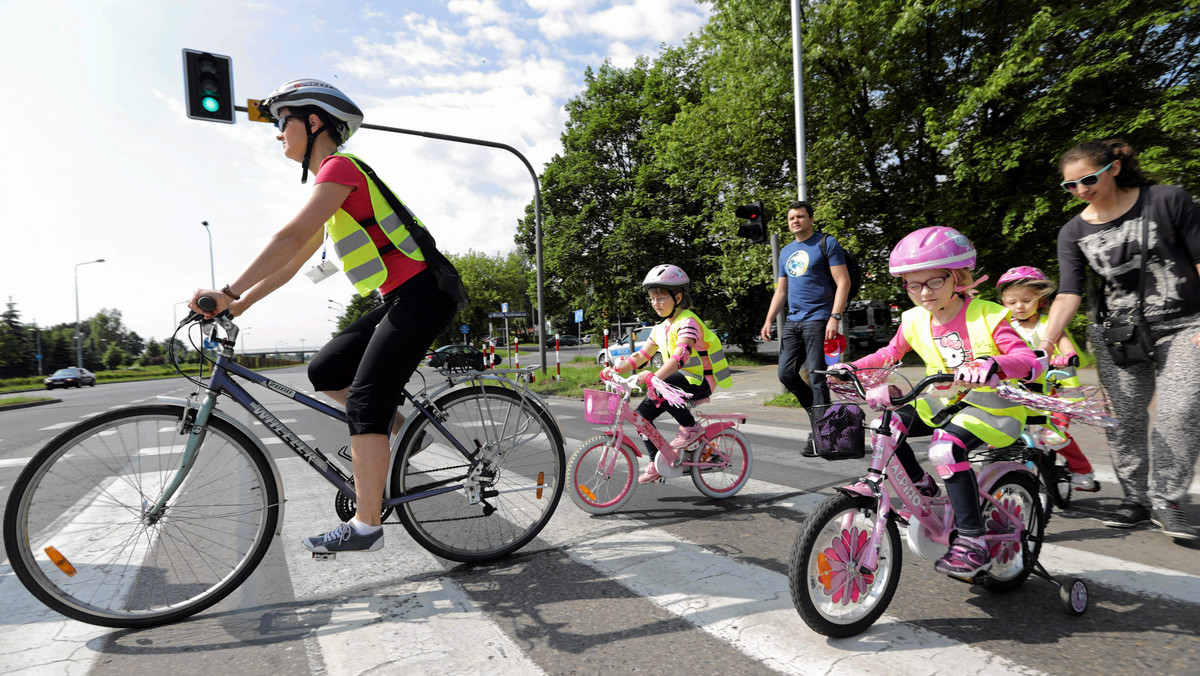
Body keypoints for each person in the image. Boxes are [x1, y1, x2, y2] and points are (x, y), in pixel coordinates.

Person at [187, 79, 458, 554]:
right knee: (326, 369)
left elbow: (289, 238)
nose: (276, 133)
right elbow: (293, 265)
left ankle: (366, 526)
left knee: (366, 400)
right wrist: (239, 306)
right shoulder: (331, 188)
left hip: (425, 293)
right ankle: (401, 435)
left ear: (313, 123)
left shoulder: (341, 168)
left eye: (282, 121)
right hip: (401, 297)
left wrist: (226, 290)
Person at [832, 227, 1041, 577]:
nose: (923, 293)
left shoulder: (987, 315)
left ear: (957, 277)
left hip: (991, 407)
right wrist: (852, 366)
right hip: (942, 401)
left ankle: (972, 540)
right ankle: (923, 485)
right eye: (913, 284)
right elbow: (889, 353)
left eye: (934, 282)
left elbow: (1029, 359)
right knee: (886, 424)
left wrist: (993, 364)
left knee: (945, 449)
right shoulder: (914, 319)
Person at [1040, 139, 1200, 541]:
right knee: (1123, 420)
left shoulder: (1167, 200)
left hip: (1185, 325)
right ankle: (1137, 500)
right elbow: (1068, 293)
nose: (1081, 190)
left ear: (1113, 168)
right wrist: (1046, 341)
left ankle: (1169, 500)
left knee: (1178, 413)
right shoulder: (1073, 231)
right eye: (1071, 186)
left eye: (1088, 180)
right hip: (1119, 335)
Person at [606, 265, 732, 484]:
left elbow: (680, 357)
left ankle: (691, 428)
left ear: (678, 296)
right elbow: (640, 356)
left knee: (661, 385)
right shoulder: (660, 327)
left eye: (661, 298)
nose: (655, 304)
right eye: (652, 299)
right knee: (641, 418)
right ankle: (657, 462)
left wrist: (654, 377)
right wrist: (614, 370)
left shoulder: (688, 321)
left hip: (698, 380)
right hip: (675, 381)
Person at [759, 201, 852, 456]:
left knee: (818, 378)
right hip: (793, 321)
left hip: (819, 319)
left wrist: (835, 317)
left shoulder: (826, 243)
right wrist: (769, 319)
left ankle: (821, 437)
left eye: (800, 216)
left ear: (810, 218)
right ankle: (824, 421)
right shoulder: (787, 251)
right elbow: (782, 290)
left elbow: (843, 282)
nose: (795, 221)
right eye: (791, 218)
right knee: (786, 374)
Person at [995, 266, 1097, 492]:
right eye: (1011, 303)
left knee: (1053, 435)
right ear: (1003, 302)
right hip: (1021, 391)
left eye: (1026, 300)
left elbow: (1065, 346)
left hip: (1056, 391)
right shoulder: (1005, 327)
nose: (1018, 307)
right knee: (999, 431)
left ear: (1041, 300)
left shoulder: (1049, 325)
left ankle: (1082, 470)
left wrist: (1066, 357)